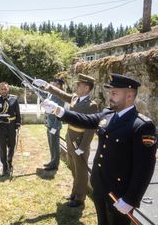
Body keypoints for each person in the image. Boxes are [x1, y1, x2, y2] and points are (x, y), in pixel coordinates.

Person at [42, 73, 157, 225]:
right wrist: (59, 111)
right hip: (100, 185)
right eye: (110, 92)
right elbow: (85, 119)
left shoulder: (142, 126)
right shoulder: (108, 114)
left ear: (129, 95)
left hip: (119, 194)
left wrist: (131, 199)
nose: (110, 96)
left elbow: (144, 168)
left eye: (114, 93)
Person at [34, 73, 98, 207]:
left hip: (80, 140)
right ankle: (75, 192)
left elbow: (91, 129)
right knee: (73, 168)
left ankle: (80, 198)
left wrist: (83, 146)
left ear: (86, 88)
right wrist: (47, 86)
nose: (76, 86)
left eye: (79, 84)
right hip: (70, 135)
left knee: (81, 170)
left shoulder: (91, 105)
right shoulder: (75, 98)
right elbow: (61, 94)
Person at [0, 82, 21, 176]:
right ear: (0, 90)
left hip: (11, 126)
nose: (3, 91)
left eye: (5, 89)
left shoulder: (14, 99)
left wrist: (18, 124)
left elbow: (18, 112)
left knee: (12, 145)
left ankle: (9, 162)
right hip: (1, 126)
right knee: (2, 147)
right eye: (2, 89)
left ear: (8, 89)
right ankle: (5, 166)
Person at [43, 79, 65, 171]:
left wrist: (55, 127)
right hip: (49, 123)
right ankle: (52, 161)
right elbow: (43, 93)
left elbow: (59, 113)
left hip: (54, 125)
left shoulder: (61, 96)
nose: (52, 85)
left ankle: (55, 164)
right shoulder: (51, 93)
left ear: (59, 86)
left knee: (55, 145)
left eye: (54, 84)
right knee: (51, 144)